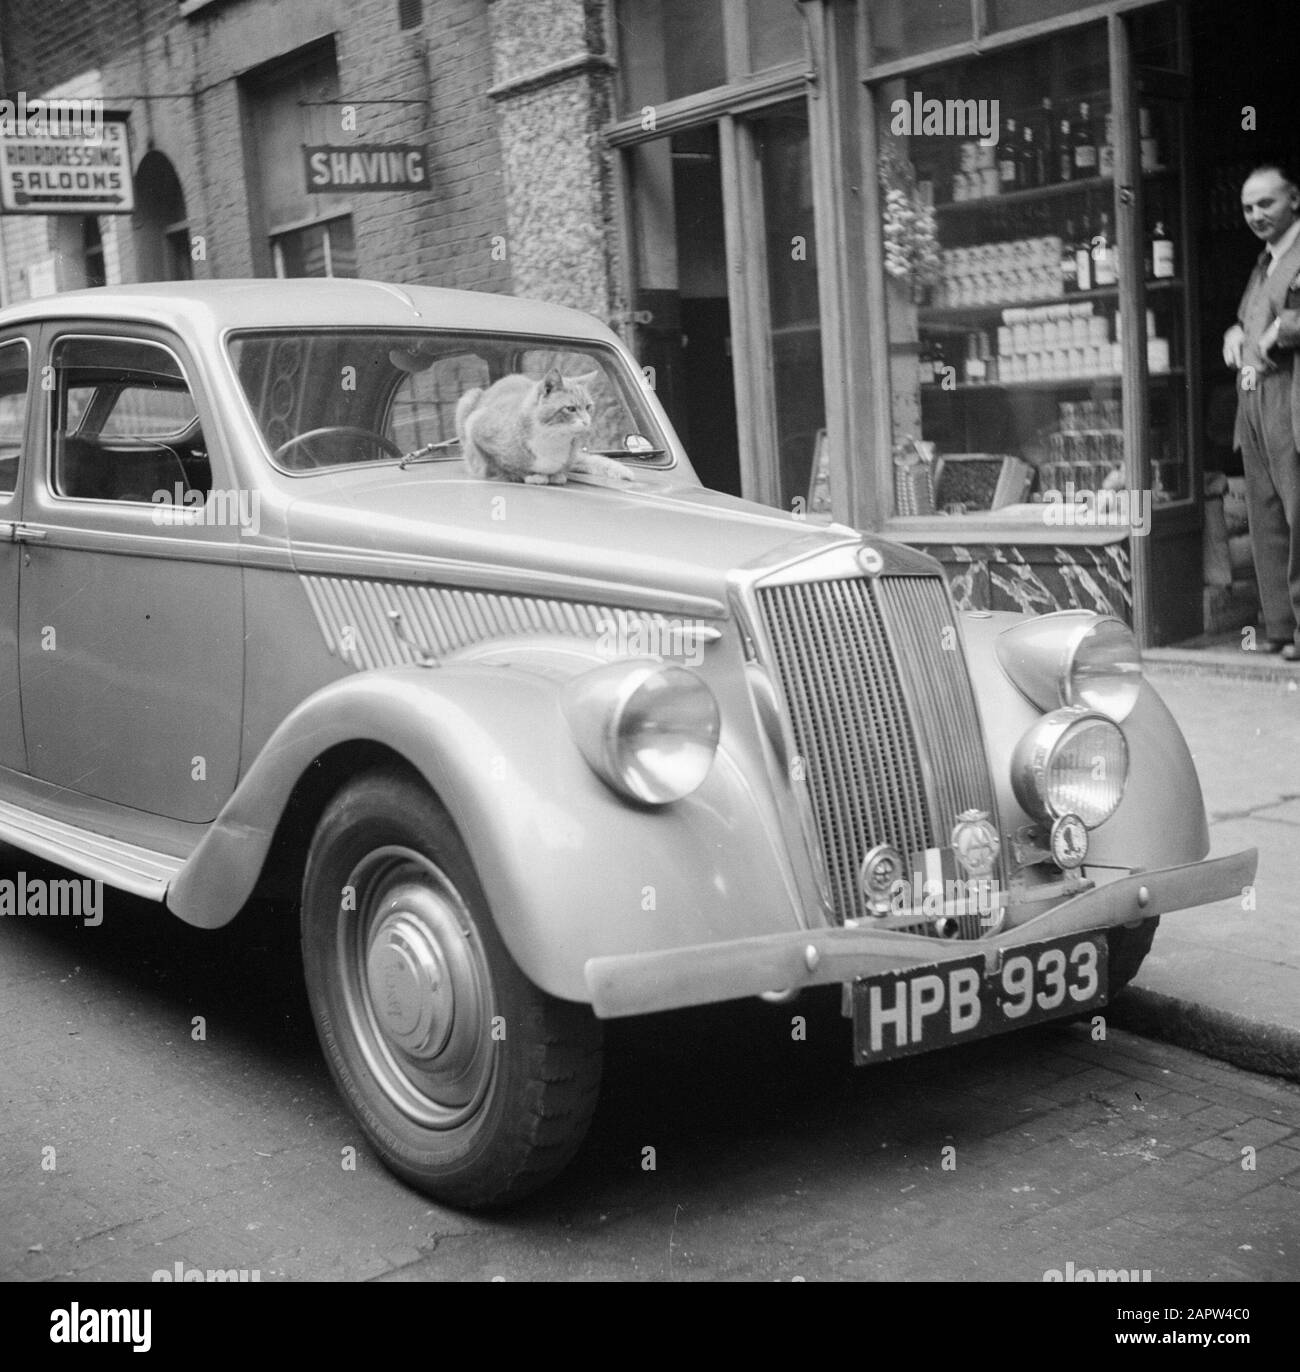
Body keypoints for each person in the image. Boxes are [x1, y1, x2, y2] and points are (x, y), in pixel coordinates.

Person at [1223, 164, 1300, 659]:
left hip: (1289, 394)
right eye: (1249, 206)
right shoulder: (1265, 262)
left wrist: (1284, 329)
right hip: (1253, 398)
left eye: (1266, 203)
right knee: (1265, 511)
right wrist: (1236, 332)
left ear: (1293, 197)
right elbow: (1251, 317)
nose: (1256, 215)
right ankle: (1280, 626)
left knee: (1297, 510)